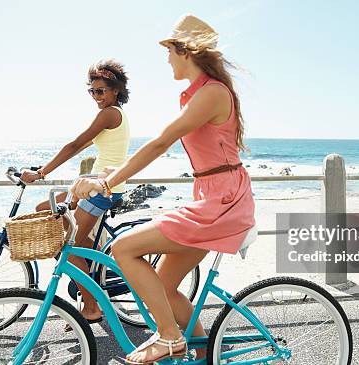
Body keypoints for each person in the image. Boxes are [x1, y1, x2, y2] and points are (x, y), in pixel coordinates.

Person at [71, 14, 255, 364]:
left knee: (123, 249)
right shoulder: (198, 94)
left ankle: (170, 337)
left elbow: (159, 143)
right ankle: (202, 355)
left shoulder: (212, 94)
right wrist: (112, 171)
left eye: (169, 51)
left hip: (222, 203)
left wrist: (106, 182)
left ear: (186, 51)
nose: (166, 59)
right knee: (165, 287)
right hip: (214, 198)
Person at [21, 59, 130, 325]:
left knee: (66, 246)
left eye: (101, 91)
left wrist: (41, 173)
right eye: (92, 91)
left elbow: (74, 144)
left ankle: (92, 306)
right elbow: (80, 147)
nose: (96, 96)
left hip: (102, 188)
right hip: (95, 185)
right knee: (42, 210)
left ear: (115, 91)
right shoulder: (111, 116)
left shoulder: (110, 114)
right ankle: (100, 267)